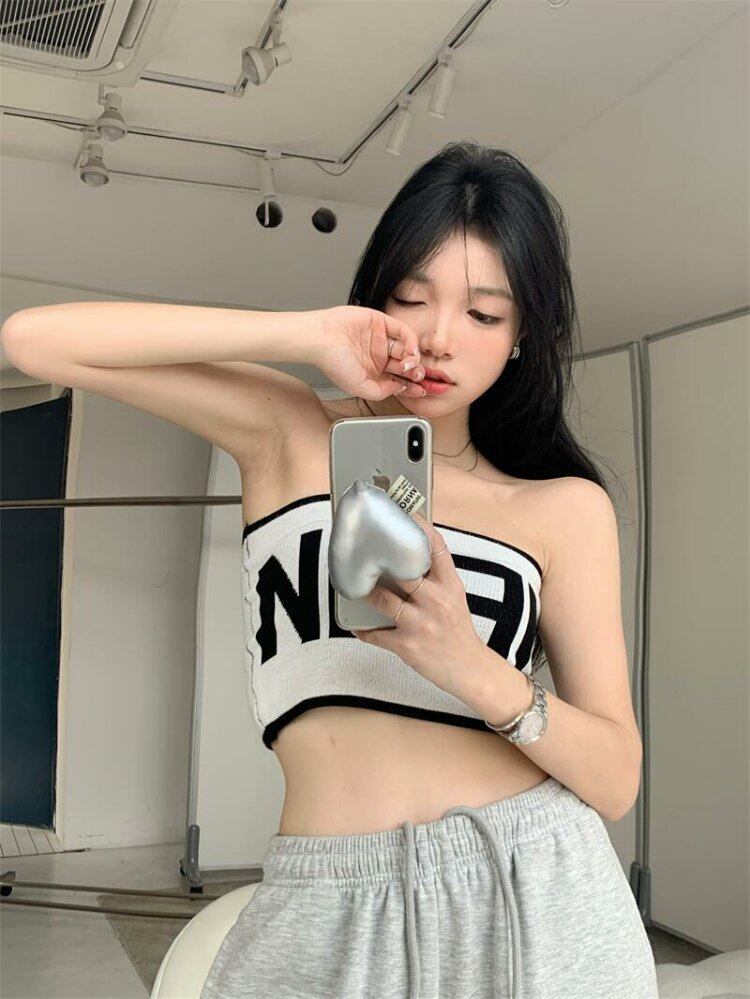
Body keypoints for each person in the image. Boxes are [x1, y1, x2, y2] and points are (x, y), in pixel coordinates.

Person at [1, 141, 659, 998]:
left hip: (533, 883)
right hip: (326, 891)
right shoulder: (288, 427)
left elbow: (615, 777)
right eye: (411, 297)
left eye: (483, 314)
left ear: (523, 336)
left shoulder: (562, 508)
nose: (437, 337)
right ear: (375, 296)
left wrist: (475, 669)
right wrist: (302, 335)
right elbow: (36, 341)